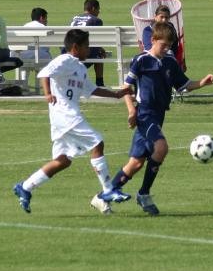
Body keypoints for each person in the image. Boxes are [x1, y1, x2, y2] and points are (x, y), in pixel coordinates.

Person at [12, 29, 132, 215]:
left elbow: (91, 90)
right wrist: (47, 93)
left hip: (63, 119)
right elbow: (45, 73)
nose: (89, 50)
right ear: (75, 48)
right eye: (86, 46)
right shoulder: (65, 60)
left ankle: (25, 187)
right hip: (66, 116)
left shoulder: (81, 68)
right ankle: (108, 190)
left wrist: (116, 94)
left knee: (62, 161)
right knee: (97, 142)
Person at [109, 22, 213, 216]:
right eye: (163, 45)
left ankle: (103, 195)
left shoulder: (170, 62)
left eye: (169, 46)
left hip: (159, 115)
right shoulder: (141, 60)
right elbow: (126, 88)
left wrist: (202, 83)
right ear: (153, 40)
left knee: (136, 164)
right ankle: (144, 194)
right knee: (161, 148)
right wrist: (131, 111)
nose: (166, 49)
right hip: (145, 114)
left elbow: (183, 85)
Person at [70, 0, 106, 87]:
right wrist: (100, 49)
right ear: (93, 8)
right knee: (99, 55)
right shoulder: (96, 20)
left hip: (69, 52)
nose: (99, 12)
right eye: (98, 9)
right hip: (81, 55)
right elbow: (96, 41)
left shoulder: (74, 19)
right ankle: (100, 83)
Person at [141, 4, 184, 70]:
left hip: (170, 64)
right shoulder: (148, 31)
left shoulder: (171, 29)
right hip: (152, 65)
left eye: (166, 17)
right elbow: (149, 50)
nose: (164, 20)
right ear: (155, 17)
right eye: (161, 17)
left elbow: (175, 48)